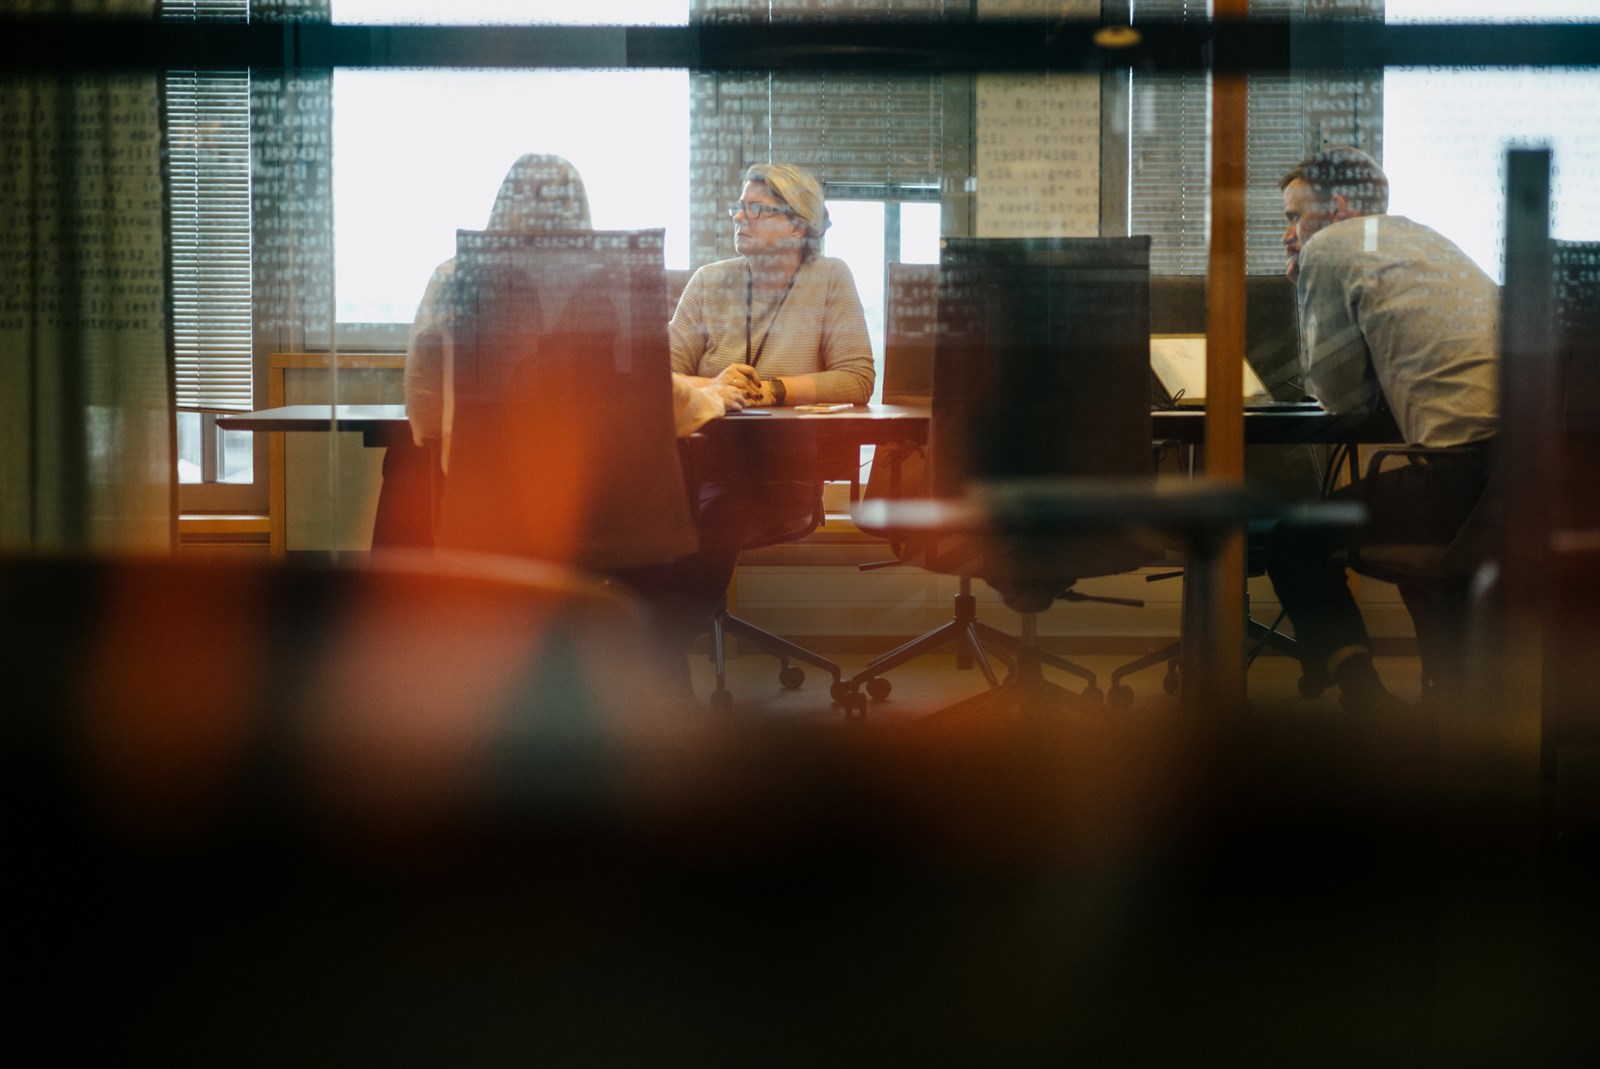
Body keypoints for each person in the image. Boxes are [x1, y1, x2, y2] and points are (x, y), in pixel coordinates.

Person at [376, 154, 741, 548]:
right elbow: (648, 399)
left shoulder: (454, 276)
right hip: (590, 510)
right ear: (580, 209)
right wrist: (711, 397)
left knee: (399, 468)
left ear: (504, 203)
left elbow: (424, 405)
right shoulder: (603, 281)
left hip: (481, 503)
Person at [1264, 146, 1500, 712]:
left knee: (1291, 541)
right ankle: (1450, 696)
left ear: (1338, 208)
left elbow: (1340, 397)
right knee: (1428, 557)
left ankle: (1363, 696)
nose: (1288, 235)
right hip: (1521, 476)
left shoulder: (1332, 246)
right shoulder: (1429, 241)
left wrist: (1306, 285)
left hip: (1461, 480)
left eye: (1295, 217)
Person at [619, 162, 876, 671]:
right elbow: (655, 376)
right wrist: (714, 386)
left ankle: (657, 664)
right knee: (637, 521)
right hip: (688, 461)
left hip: (777, 469)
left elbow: (856, 378)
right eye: (739, 207)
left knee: (714, 518)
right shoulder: (710, 281)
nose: (740, 217)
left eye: (756, 209)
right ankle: (644, 664)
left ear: (798, 226)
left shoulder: (828, 278)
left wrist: (773, 390)